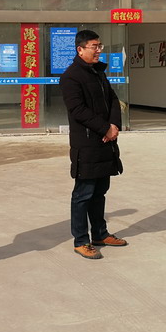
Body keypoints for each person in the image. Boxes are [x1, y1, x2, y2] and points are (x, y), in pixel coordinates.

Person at [60, 29, 127, 260]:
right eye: (94, 47)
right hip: (87, 144)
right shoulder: (70, 77)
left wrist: (114, 125)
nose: (99, 50)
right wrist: (104, 128)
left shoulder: (98, 72)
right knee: (83, 193)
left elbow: (113, 99)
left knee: (100, 191)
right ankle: (81, 240)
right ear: (80, 49)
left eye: (100, 46)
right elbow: (77, 110)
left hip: (105, 142)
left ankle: (100, 233)